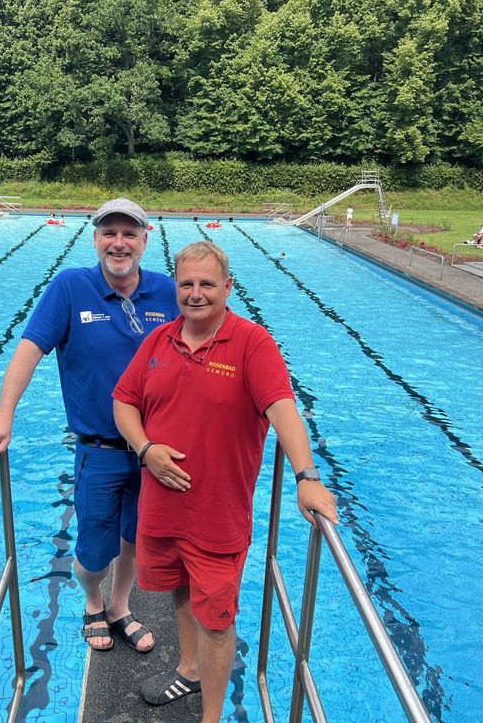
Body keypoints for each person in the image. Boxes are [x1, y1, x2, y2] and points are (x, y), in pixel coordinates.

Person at [112, 241, 339, 722]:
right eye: (187, 284)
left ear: (228, 288)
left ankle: (210, 718)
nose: (196, 294)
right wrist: (146, 449)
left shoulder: (252, 342)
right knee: (179, 590)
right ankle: (188, 671)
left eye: (207, 284)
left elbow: (282, 409)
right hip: (163, 509)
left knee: (216, 620)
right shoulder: (158, 340)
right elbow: (124, 401)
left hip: (216, 516)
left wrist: (306, 476)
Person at [0, 197, 178, 654]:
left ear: (145, 240)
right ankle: (92, 600)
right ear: (96, 240)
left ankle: (120, 606)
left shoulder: (166, 292)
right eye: (110, 233)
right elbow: (30, 349)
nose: (119, 243)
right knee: (93, 551)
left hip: (154, 450)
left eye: (129, 234)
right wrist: (4, 416)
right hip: (100, 450)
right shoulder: (71, 288)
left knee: (134, 541)